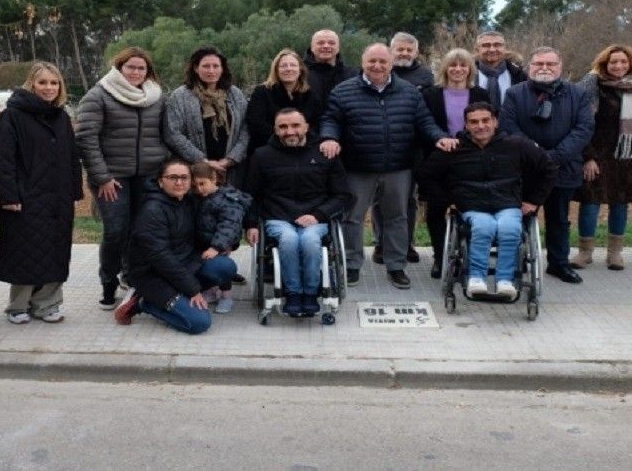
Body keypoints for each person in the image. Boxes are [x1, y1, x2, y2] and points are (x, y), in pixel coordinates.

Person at [319, 43, 456, 288]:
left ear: (391, 64)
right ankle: (351, 265)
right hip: (357, 167)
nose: (377, 66)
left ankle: (396, 266)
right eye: (372, 61)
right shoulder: (343, 91)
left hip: (398, 167)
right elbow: (331, 119)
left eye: (383, 61)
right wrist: (329, 137)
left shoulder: (409, 92)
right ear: (363, 62)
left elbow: (424, 121)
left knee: (397, 218)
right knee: (352, 218)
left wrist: (439, 137)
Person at [419, 102, 557, 298]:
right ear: (466, 125)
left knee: (510, 229)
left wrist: (534, 201)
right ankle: (476, 278)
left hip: (507, 203)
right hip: (472, 204)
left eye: (485, 120)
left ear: (495, 122)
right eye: (474, 122)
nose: (480, 126)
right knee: (483, 228)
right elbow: (427, 175)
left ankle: (505, 280)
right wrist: (447, 200)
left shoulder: (516, 145)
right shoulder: (454, 149)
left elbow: (549, 169)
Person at [0, 62, 84, 324]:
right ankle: (18, 305)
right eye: (43, 82)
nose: (49, 88)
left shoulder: (61, 116)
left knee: (55, 249)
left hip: (58, 197)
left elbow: (71, 157)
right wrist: (9, 196)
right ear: (31, 84)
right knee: (25, 250)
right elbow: (3, 159)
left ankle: (48, 304)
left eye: (54, 83)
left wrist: (75, 191)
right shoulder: (12, 116)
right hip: (26, 196)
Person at [75, 47, 167, 310]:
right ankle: (108, 282)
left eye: (142, 68)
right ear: (119, 68)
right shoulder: (98, 95)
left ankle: (132, 277)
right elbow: (86, 138)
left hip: (148, 175)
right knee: (116, 231)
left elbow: (164, 134)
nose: (136, 72)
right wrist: (102, 176)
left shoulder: (156, 97)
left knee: (141, 231)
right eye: (131, 67)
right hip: (112, 177)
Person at [244, 108, 353, 317]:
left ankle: (311, 293)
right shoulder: (262, 155)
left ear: (306, 127)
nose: (289, 131)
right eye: (283, 127)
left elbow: (343, 195)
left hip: (316, 217)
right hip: (277, 217)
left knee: (311, 241)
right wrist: (250, 224)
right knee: (289, 239)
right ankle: (293, 293)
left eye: (295, 125)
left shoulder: (324, 153)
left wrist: (318, 215)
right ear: (275, 130)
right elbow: (251, 194)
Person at [500, 46, 594, 284]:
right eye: (538, 64)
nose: (544, 68)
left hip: (563, 168)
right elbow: (509, 127)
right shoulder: (514, 93)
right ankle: (515, 264)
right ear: (530, 67)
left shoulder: (579, 94)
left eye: (550, 64)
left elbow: (583, 130)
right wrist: (536, 156)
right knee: (519, 217)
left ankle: (559, 264)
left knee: (559, 219)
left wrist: (553, 158)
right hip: (524, 169)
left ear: (560, 67)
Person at [114, 160, 238, 334]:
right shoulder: (152, 210)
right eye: (173, 177)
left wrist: (224, 242)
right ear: (160, 181)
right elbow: (161, 258)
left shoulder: (189, 200)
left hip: (184, 264)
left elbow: (222, 210)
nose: (179, 182)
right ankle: (144, 302)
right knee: (199, 322)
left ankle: (179, 296)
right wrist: (192, 290)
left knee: (226, 267)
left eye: (184, 178)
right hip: (153, 275)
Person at [572, 45, 632, 271]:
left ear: (631, 64)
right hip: (597, 155)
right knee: (590, 204)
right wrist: (587, 156)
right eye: (613, 62)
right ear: (604, 64)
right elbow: (581, 123)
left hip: (627, 156)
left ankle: (615, 253)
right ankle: (585, 252)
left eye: (623, 62)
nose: (618, 66)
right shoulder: (591, 86)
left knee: (620, 204)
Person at [418, 48, 490, 278]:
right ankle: (440, 258)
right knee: (437, 209)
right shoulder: (431, 94)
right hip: (439, 157)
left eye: (463, 65)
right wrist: (441, 139)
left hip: (472, 157)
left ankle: (468, 255)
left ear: (470, 69)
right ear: (445, 68)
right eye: (453, 65)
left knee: (471, 207)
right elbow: (423, 123)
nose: (458, 70)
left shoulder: (480, 94)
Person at [372, 31, 433, 266]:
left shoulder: (426, 76)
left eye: (409, 50)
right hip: (383, 146)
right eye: (400, 49)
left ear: (416, 52)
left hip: (414, 147)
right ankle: (381, 243)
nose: (404, 53)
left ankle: (405, 244)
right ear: (391, 50)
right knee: (380, 198)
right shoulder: (381, 72)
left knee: (408, 199)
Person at [163, 46, 249, 187]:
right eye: (206, 66)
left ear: (222, 69)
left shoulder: (235, 94)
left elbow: (245, 130)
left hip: (231, 169)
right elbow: (173, 134)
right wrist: (203, 161)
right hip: (195, 170)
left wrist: (230, 159)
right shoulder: (180, 96)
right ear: (196, 68)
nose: (211, 70)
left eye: (216, 66)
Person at [190, 162, 251, 313]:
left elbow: (229, 225)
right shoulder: (197, 197)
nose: (199, 189)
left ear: (214, 178)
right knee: (206, 267)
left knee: (222, 268)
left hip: (220, 244)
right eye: (194, 185)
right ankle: (211, 291)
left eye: (202, 183)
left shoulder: (227, 199)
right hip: (201, 241)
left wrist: (217, 246)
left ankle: (226, 296)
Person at [244, 48, 323, 157]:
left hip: (304, 151)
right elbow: (255, 123)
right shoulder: (262, 92)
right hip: (268, 151)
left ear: (300, 69)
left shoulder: (310, 94)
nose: (289, 69)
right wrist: (285, 138)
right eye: (283, 66)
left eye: (293, 65)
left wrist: (300, 139)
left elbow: (317, 122)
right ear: (276, 69)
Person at [473, 30, 527, 113]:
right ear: (477, 50)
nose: (492, 49)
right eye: (486, 45)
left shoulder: (520, 75)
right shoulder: (467, 74)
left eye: (497, 45)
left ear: (504, 48)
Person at [304, 29, 359, 107]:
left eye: (331, 43)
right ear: (312, 47)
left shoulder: (352, 75)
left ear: (338, 48)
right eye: (320, 43)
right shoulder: (300, 73)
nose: (326, 46)